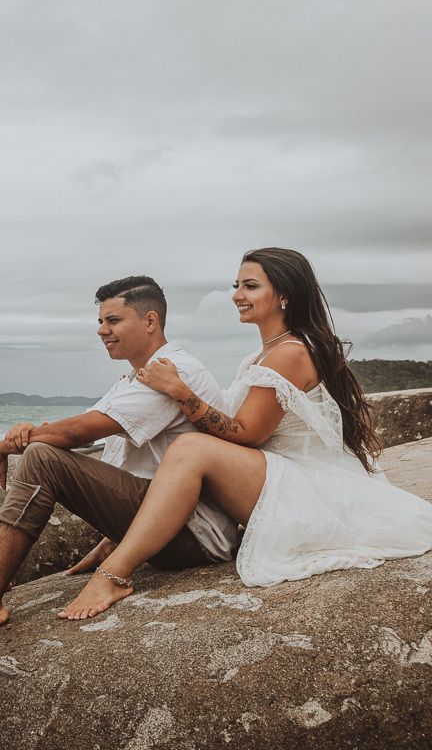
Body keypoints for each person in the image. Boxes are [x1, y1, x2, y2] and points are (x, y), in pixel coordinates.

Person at [59, 247, 432, 621]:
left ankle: (115, 575)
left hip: (295, 483)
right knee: (189, 447)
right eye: (236, 285)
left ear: (284, 295)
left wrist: (178, 390)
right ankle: (122, 548)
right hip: (274, 475)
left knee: (190, 447)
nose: (237, 295)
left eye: (250, 286)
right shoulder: (263, 354)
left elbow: (248, 434)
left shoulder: (290, 352)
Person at [0, 276, 240, 655]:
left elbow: (79, 432)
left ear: (150, 321)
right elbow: (76, 429)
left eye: (113, 320)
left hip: (193, 536)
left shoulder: (174, 371)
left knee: (41, 458)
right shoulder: (136, 377)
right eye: (100, 322)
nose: (102, 331)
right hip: (162, 525)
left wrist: (7, 445)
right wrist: (31, 432)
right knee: (42, 451)